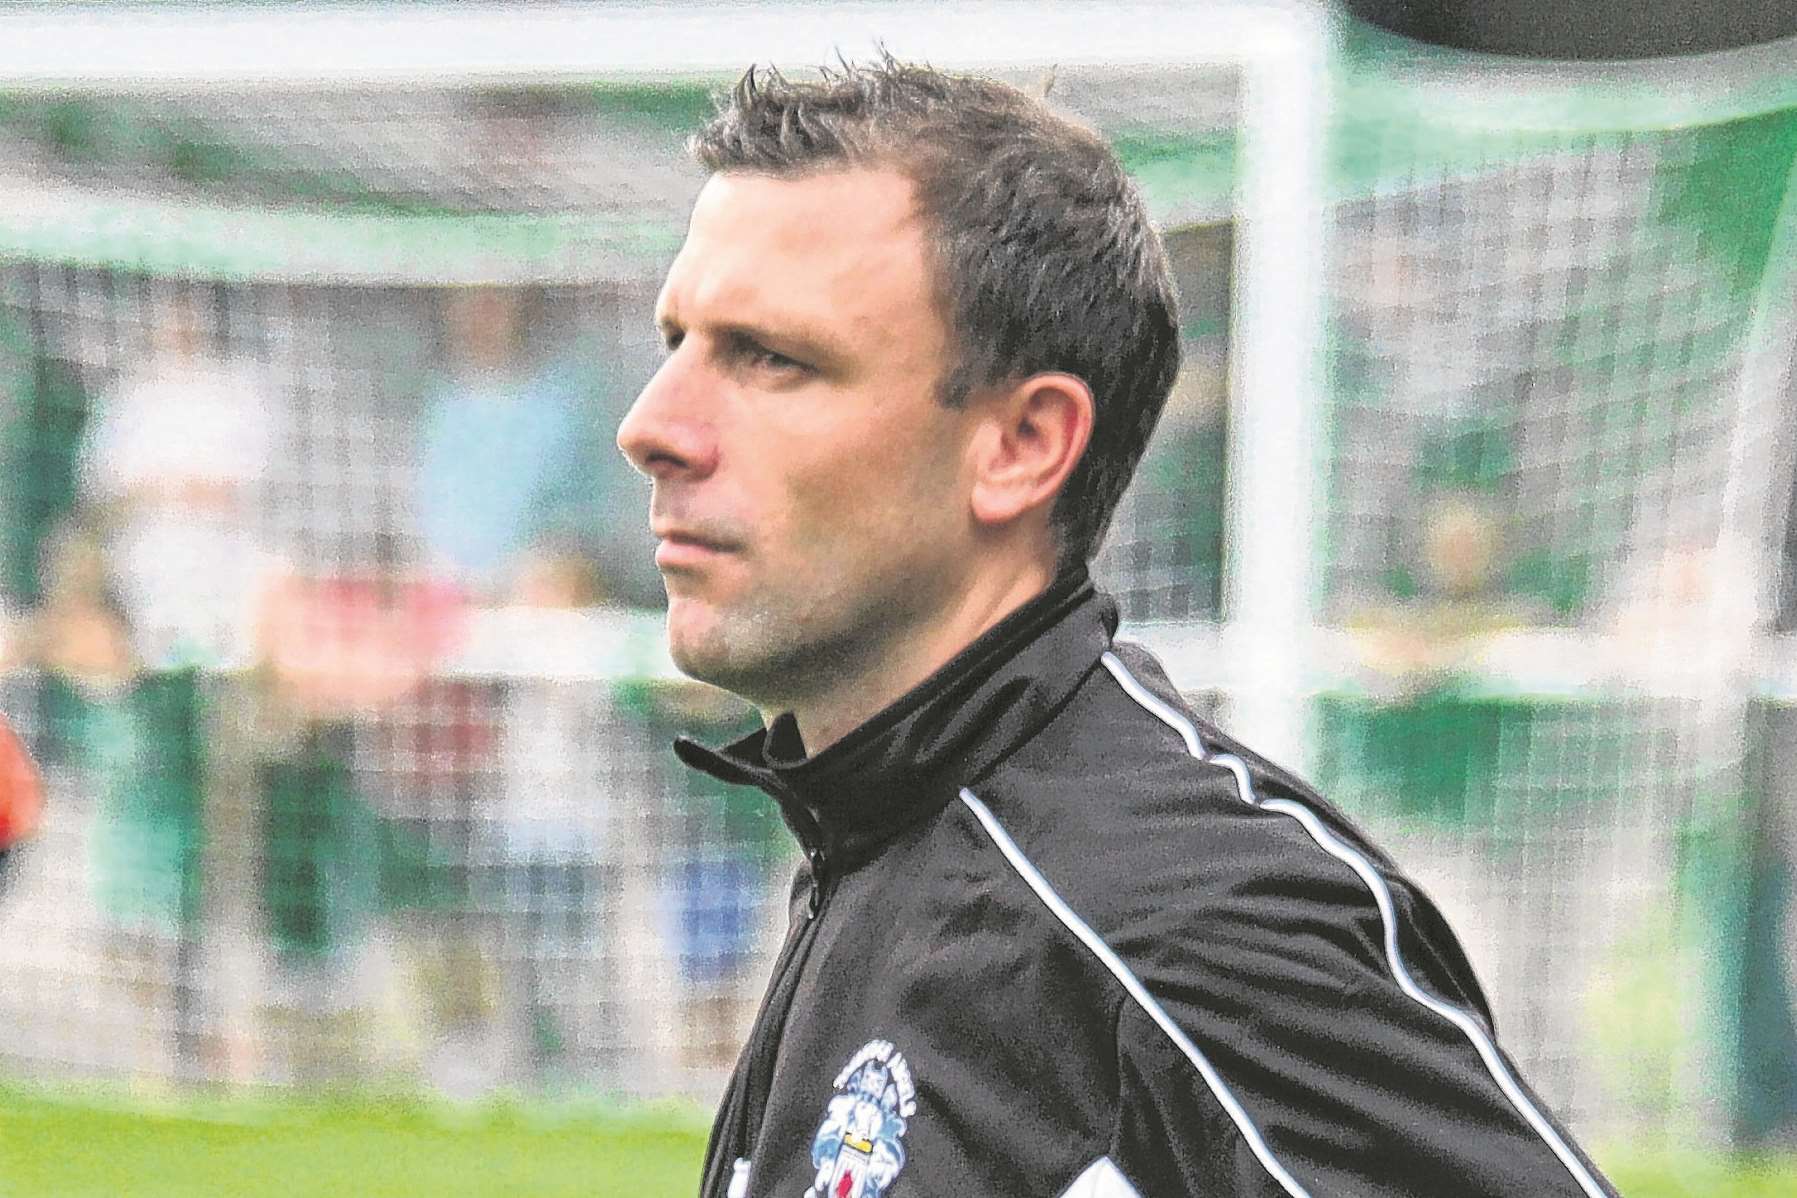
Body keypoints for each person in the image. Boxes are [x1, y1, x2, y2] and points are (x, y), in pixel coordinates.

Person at [616, 57, 1619, 1198]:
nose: (654, 427)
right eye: (676, 343)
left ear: (1023, 444)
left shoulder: (1192, 918)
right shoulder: (876, 837)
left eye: (772, 359)